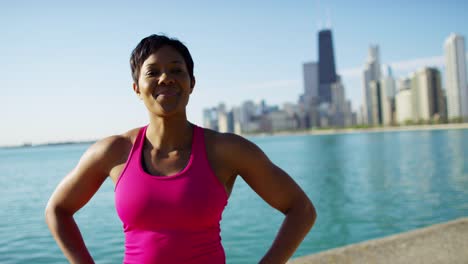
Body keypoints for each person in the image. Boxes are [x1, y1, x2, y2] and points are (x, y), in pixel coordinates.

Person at [45, 34, 316, 264]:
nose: (166, 78)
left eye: (176, 70)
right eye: (153, 72)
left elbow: (301, 209)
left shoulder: (227, 149)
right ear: (137, 88)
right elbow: (57, 210)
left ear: (191, 83)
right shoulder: (114, 151)